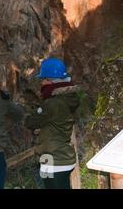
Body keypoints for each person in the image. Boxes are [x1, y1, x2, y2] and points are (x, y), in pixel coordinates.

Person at [25, 58, 80, 189]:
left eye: (42, 79)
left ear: (50, 80)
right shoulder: (68, 98)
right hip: (62, 158)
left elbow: (30, 122)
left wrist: (37, 116)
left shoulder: (52, 103)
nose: (41, 83)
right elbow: (54, 122)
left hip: (52, 161)